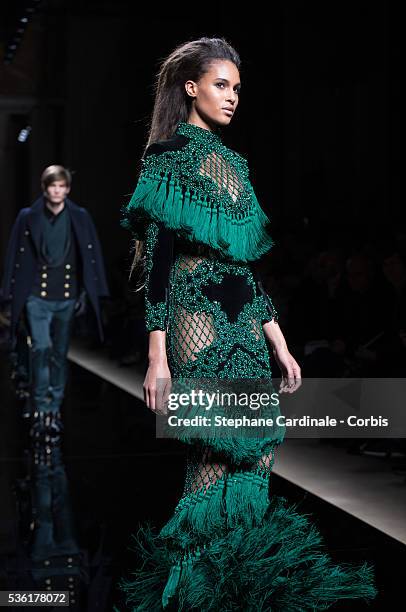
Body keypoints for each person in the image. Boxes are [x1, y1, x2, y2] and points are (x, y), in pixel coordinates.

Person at [119, 38, 377, 610]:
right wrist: (157, 354)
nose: (232, 97)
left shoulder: (235, 164)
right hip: (193, 318)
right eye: (220, 85)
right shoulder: (167, 157)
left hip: (244, 322)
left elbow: (244, 268)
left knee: (258, 451)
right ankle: (190, 594)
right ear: (191, 87)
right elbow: (159, 260)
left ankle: (231, 589)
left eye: (236, 88)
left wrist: (279, 342)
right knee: (215, 452)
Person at [1, 164, 109, 416]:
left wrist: (93, 289)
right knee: (40, 347)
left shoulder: (80, 217)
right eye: (53, 186)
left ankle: (55, 405)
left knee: (60, 352)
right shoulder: (28, 217)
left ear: (68, 189)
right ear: (45, 188)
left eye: (62, 186)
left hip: (66, 296)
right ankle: (40, 403)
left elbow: (92, 254)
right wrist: (8, 293)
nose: (57, 191)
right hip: (36, 295)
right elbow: (13, 255)